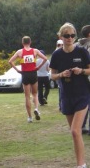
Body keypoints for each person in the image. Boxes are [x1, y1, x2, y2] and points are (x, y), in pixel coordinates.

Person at [50, 22, 89, 168]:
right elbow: (52, 75)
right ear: (61, 37)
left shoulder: (82, 52)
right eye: (66, 35)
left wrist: (82, 71)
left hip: (83, 94)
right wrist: (61, 74)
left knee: (75, 130)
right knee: (75, 134)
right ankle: (81, 162)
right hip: (66, 95)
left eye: (72, 35)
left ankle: (81, 165)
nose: (70, 38)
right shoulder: (56, 54)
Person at [9, 36, 47, 123]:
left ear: (22, 43)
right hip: (33, 73)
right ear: (30, 42)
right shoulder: (35, 51)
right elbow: (45, 58)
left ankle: (30, 117)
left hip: (25, 74)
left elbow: (10, 61)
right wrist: (38, 67)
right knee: (35, 94)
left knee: (27, 97)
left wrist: (17, 70)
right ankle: (36, 108)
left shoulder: (20, 52)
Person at [75, 24, 90, 135]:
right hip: (87, 74)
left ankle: (82, 125)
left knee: (83, 101)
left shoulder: (76, 45)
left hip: (79, 77)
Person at [55, 39, 64, 111]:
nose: (60, 46)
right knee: (61, 89)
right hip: (59, 75)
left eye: (62, 45)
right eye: (59, 45)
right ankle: (61, 105)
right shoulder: (56, 53)